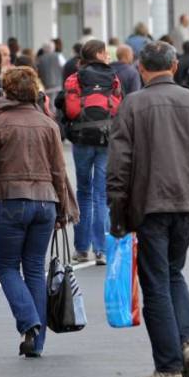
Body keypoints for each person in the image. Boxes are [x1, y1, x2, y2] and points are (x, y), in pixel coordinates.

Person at [107, 40, 189, 377]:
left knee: (156, 282)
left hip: (148, 206)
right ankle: (187, 341)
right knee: (173, 272)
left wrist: (117, 217)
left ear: (142, 69)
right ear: (174, 66)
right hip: (188, 204)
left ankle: (169, 366)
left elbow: (119, 167)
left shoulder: (132, 105)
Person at [0, 66, 76, 358]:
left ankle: (29, 323)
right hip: (46, 203)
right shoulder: (47, 124)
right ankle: (36, 344)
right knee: (34, 270)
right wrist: (62, 211)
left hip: (9, 201)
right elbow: (59, 171)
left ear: (6, 91)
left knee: (6, 266)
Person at [59, 40, 121, 264]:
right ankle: (101, 249)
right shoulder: (112, 77)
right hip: (106, 137)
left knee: (83, 192)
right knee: (101, 195)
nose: (107, 56)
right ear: (99, 54)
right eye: (105, 52)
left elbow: (65, 107)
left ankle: (82, 248)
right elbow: (119, 104)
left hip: (82, 138)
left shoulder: (74, 78)